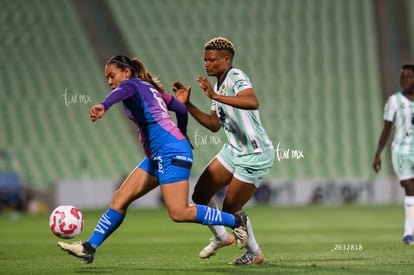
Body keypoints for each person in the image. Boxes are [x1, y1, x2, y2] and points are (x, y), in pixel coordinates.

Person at [57, 55, 249, 264]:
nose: (110, 82)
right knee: (120, 199)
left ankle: (235, 220)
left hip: (170, 152)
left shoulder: (131, 85)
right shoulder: (150, 88)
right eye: (107, 79)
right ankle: (89, 247)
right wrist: (182, 133)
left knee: (179, 212)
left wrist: (104, 105)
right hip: (160, 154)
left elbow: (121, 91)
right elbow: (182, 109)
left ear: (126, 72)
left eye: (112, 76)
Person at [173, 37, 275, 264]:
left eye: (212, 60)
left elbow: (252, 101)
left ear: (227, 60)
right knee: (200, 195)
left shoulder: (235, 76)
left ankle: (254, 253)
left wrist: (215, 96)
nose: (206, 64)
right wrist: (187, 105)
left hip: (254, 153)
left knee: (231, 209)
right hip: (233, 150)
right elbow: (213, 124)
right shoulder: (218, 86)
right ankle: (221, 236)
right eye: (205, 60)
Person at [373, 64, 414, 245]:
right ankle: (408, 233)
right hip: (401, 151)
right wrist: (377, 154)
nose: (404, 81)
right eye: (402, 78)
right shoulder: (394, 101)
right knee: (409, 185)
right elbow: (386, 129)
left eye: (408, 77)